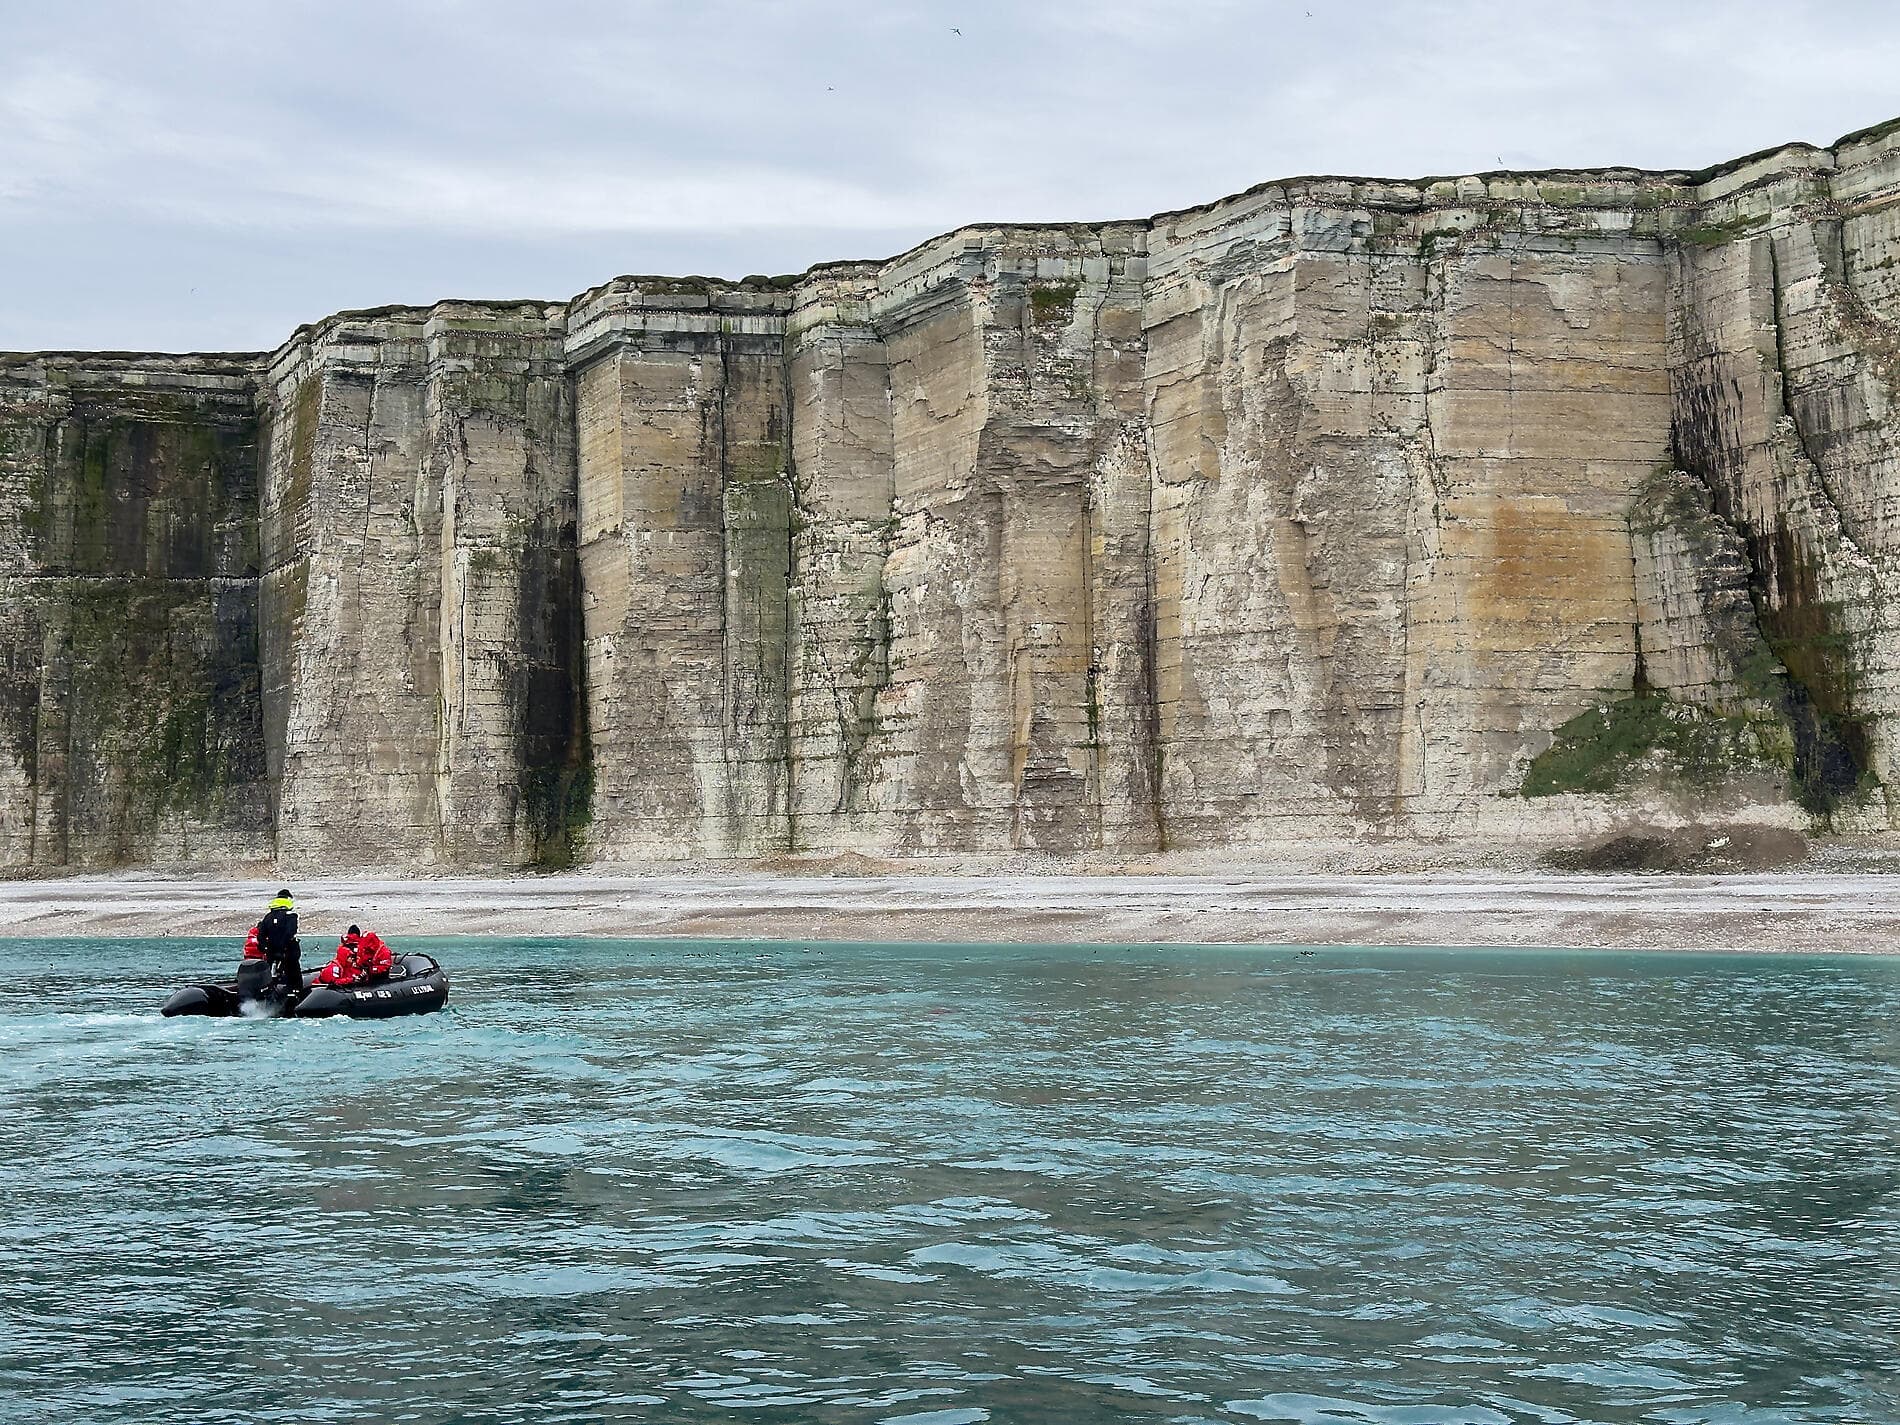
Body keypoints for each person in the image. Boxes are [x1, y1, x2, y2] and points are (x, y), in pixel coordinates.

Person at [256, 889, 300, 999]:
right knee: (294, 973)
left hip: (271, 951)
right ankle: (295, 992)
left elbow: (261, 934)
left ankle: (269, 991)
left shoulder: (268, 917)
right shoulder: (291, 916)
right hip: (288, 951)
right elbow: (291, 932)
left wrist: (265, 948)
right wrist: (285, 946)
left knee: (271, 972)